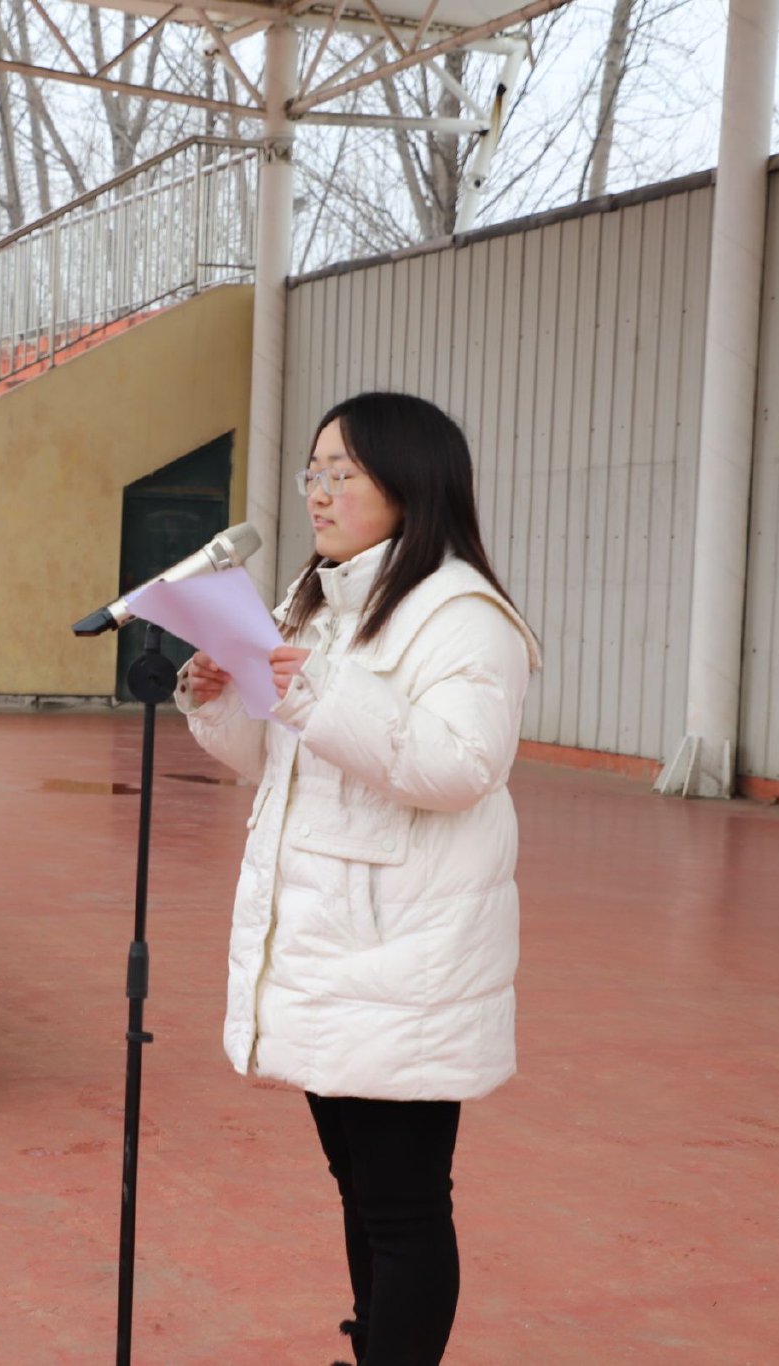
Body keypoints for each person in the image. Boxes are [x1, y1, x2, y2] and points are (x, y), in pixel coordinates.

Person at [178, 391, 540, 1366]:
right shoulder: (319, 598)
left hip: (403, 954)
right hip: (329, 946)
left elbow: (458, 763)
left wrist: (312, 688)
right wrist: (222, 702)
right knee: (360, 1189)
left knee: (404, 1208)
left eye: (344, 472)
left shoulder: (462, 615)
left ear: (411, 485)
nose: (320, 492)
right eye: (313, 471)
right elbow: (288, 764)